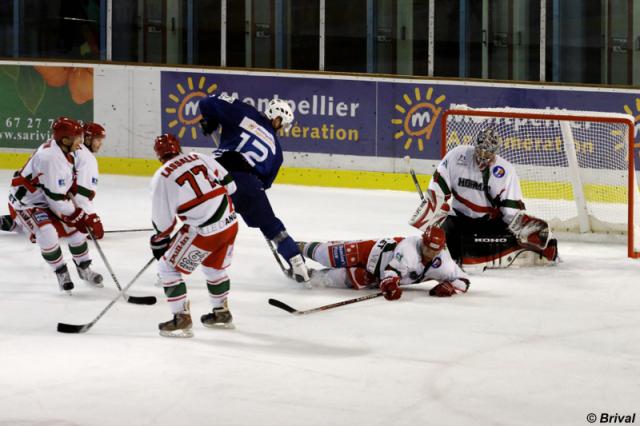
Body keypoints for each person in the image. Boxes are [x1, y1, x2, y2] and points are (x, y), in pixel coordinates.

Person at [197, 94, 311, 283]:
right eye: (283, 125)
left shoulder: (245, 113)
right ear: (277, 118)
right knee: (273, 228)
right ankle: (298, 265)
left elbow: (206, 102)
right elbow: (264, 184)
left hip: (218, 173)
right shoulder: (278, 153)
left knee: (198, 216)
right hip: (250, 186)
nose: (282, 129)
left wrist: (210, 120)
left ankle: (170, 268)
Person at [409, 127, 558, 266]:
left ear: (495, 152)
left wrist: (524, 228)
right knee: (442, 244)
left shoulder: (505, 171)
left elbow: (511, 213)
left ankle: (537, 250)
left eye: (488, 153)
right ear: (476, 146)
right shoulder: (457, 156)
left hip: (489, 224)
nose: (483, 156)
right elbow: (438, 190)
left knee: (499, 242)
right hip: (458, 219)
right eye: (480, 150)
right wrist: (432, 210)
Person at [149, 134, 239, 338]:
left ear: (159, 156)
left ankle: (181, 318)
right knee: (214, 267)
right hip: (230, 222)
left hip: (204, 230)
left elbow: (163, 222)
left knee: (167, 267)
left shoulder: (163, 175)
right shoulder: (199, 156)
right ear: (178, 148)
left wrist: (160, 240)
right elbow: (231, 186)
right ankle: (221, 313)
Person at [7, 117, 104, 293]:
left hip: (45, 197)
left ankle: (84, 269)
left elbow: (64, 188)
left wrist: (80, 214)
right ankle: (61, 271)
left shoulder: (64, 150)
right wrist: (79, 215)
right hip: (27, 202)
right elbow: (56, 199)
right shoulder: (50, 158)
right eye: (77, 138)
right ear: (65, 139)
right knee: (47, 232)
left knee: (76, 232)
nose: (80, 142)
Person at [297, 226, 470, 299]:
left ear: (441, 249)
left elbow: (463, 281)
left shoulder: (444, 262)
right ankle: (295, 247)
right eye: (427, 247)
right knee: (327, 255)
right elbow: (391, 272)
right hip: (370, 251)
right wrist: (391, 284)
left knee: (336, 279)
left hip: (372, 277)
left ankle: (307, 275)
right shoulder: (409, 248)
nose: (430, 252)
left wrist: (450, 287)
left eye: (435, 250)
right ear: (422, 241)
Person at [1, 121, 106, 240]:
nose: (80, 142)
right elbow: (77, 196)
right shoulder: (82, 159)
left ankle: (17, 221)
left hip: (28, 197)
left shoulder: (58, 146)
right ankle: (24, 223)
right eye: (97, 140)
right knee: (65, 233)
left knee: (67, 222)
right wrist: (87, 217)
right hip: (27, 203)